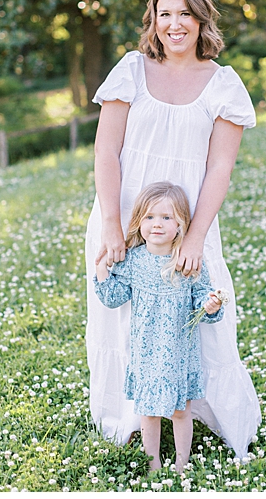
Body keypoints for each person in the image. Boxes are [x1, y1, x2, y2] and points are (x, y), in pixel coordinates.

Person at [85, 0, 261, 460]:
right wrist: (114, 228)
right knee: (127, 318)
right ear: (153, 19)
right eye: (165, 13)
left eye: (185, 13)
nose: (175, 24)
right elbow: (105, 152)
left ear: (202, 19)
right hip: (124, 218)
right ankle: (132, 418)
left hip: (189, 228)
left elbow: (219, 168)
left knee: (197, 317)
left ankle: (195, 409)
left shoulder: (224, 85)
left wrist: (196, 238)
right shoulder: (130, 70)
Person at [93, 181, 224, 472]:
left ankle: (181, 462)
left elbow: (202, 297)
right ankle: (152, 463)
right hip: (146, 352)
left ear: (180, 224)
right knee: (148, 412)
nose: (157, 225)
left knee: (180, 410)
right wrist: (102, 269)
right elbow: (114, 297)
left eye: (166, 218)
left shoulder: (186, 261)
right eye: (150, 217)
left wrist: (211, 304)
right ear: (139, 221)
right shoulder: (134, 260)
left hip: (178, 352)